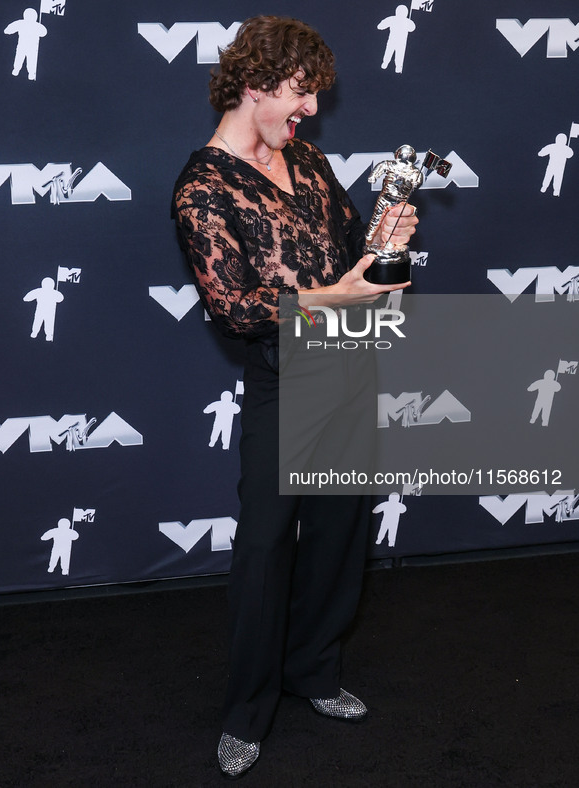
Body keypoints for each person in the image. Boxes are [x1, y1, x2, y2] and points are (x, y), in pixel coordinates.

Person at [171, 16, 418, 779]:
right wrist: (336, 296)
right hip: (287, 380)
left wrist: (386, 239)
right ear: (256, 85)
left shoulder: (305, 159)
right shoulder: (202, 188)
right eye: (300, 93)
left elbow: (351, 257)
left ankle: (313, 670)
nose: (310, 108)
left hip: (350, 370)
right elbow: (236, 307)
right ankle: (246, 711)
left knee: (341, 536)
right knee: (264, 547)